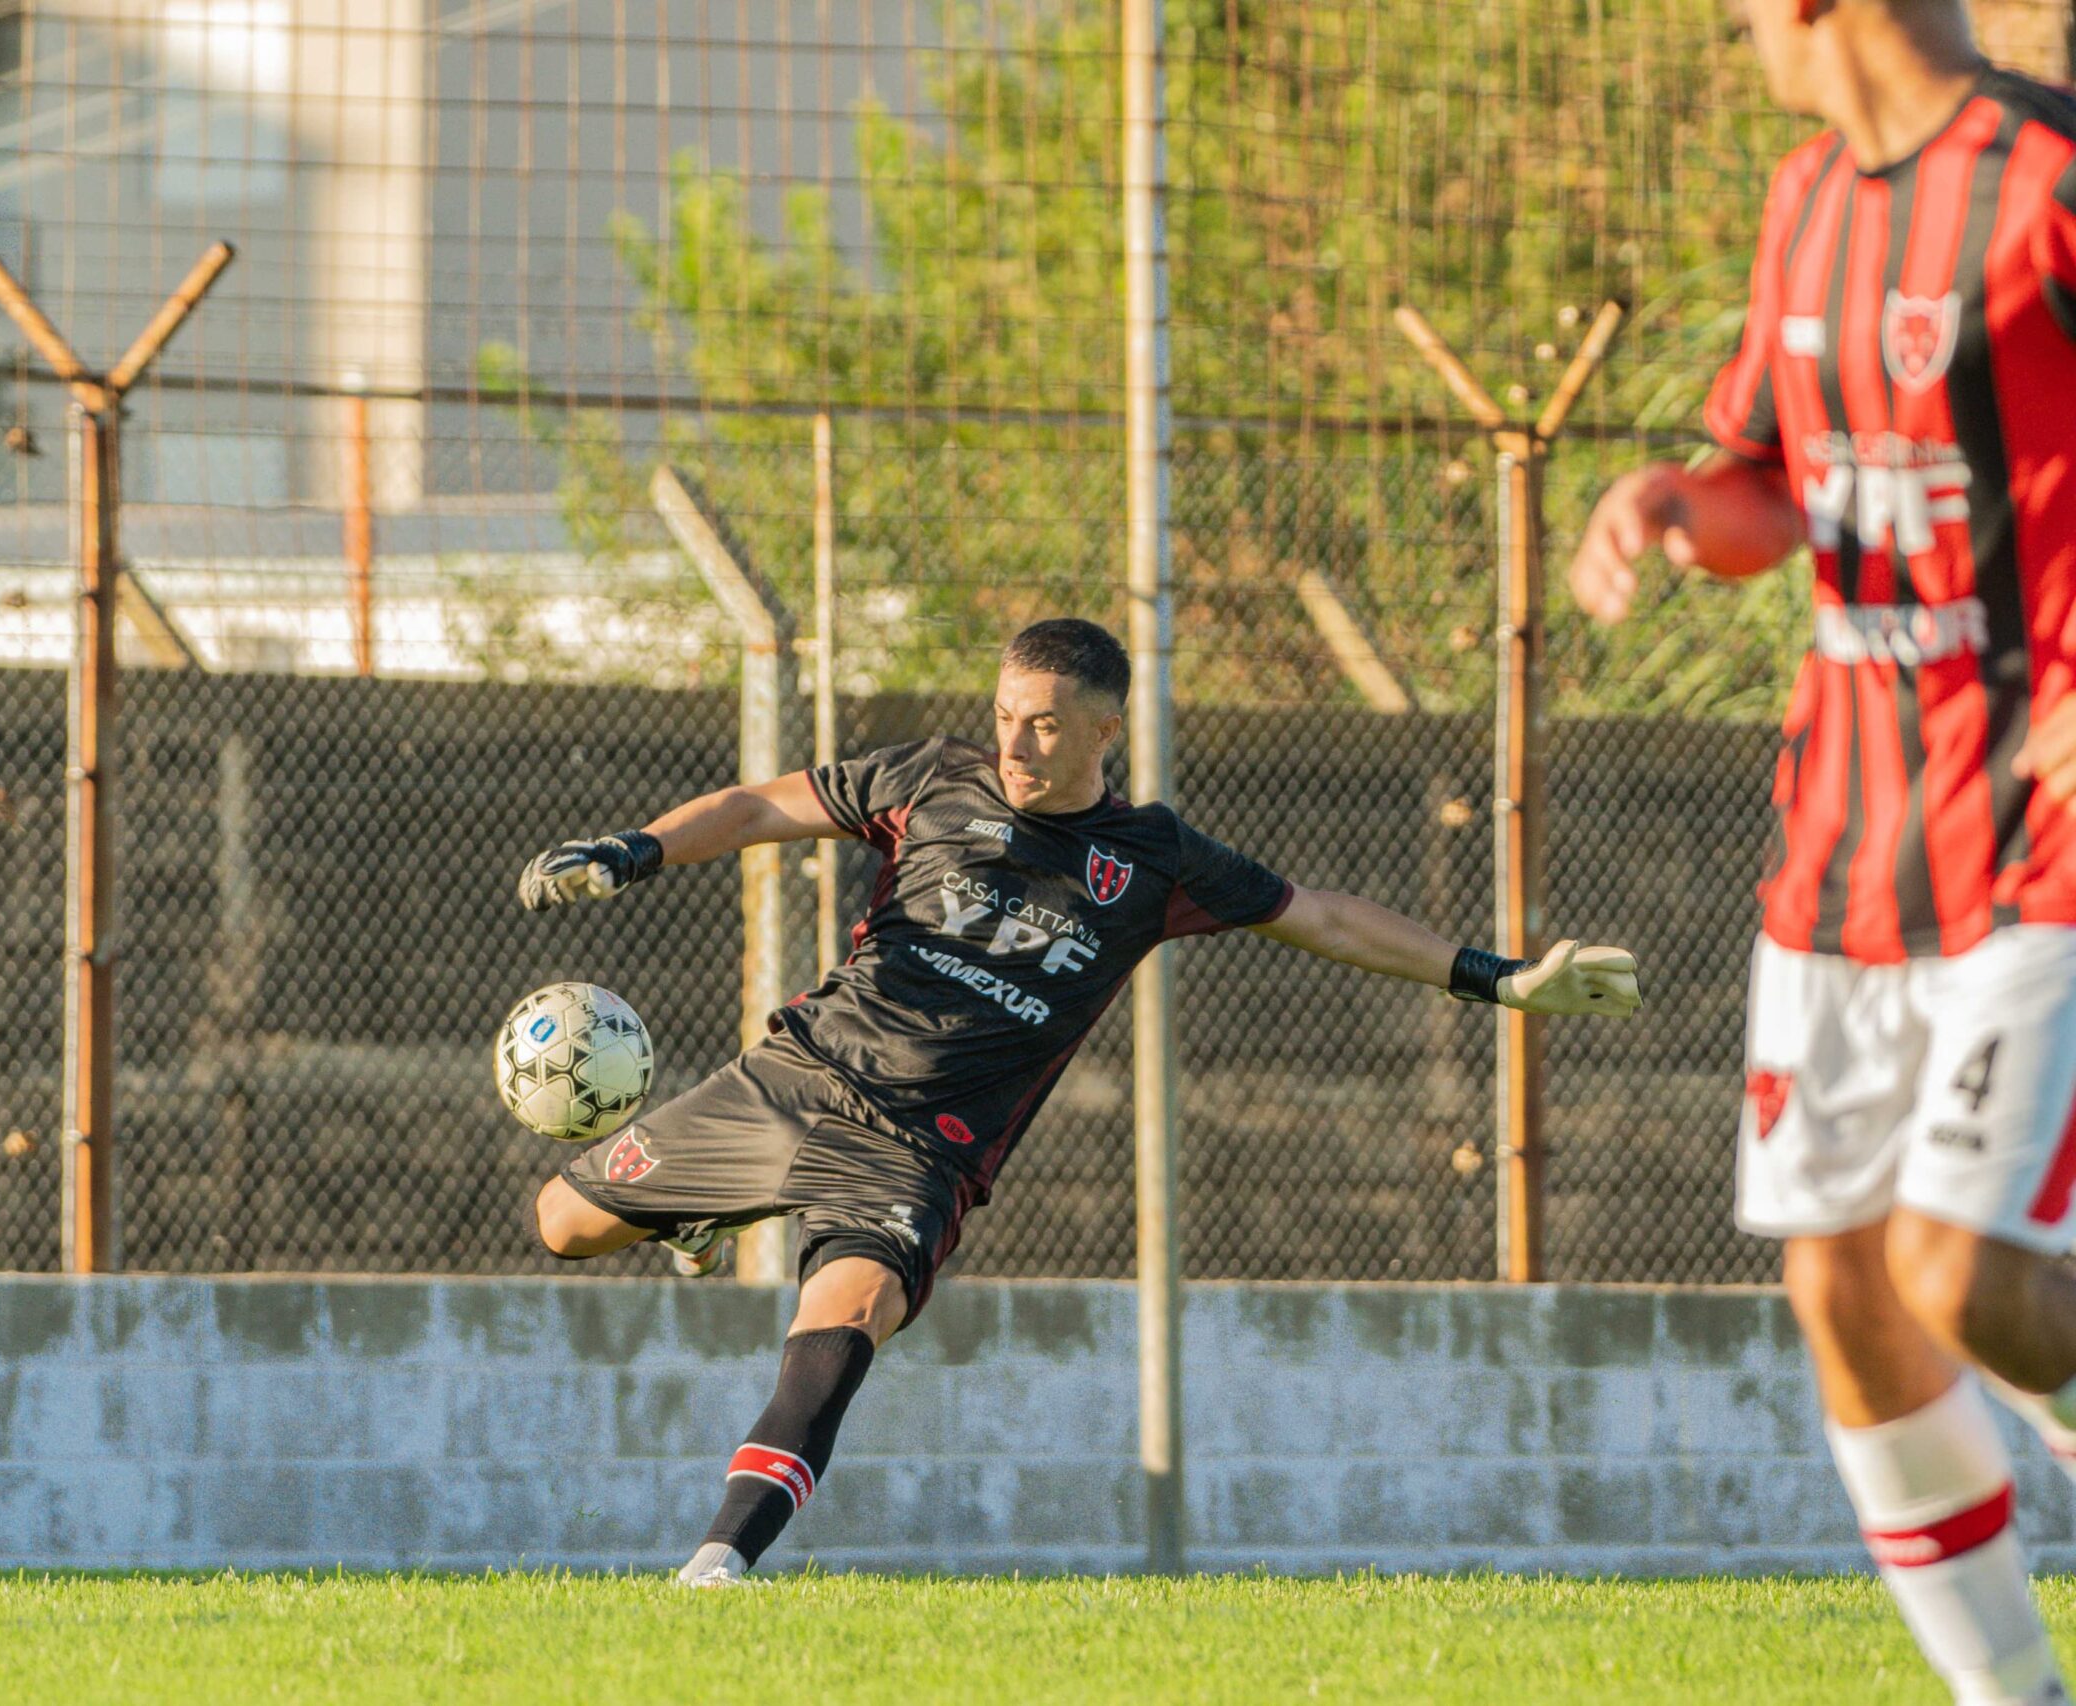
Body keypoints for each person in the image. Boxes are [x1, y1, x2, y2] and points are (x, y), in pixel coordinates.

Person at [515, 616, 1641, 1586]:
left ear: (1108, 728)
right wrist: (634, 850)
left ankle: (717, 1563)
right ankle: (711, 1212)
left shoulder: (1150, 860)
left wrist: (1496, 976)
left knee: (847, 1316)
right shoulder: (929, 779)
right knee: (562, 1226)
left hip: (916, 1152)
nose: (1015, 741)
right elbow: (763, 804)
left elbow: (1330, 917)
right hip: (795, 1078)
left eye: (1046, 722)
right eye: (1006, 713)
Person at [1569, 3, 2076, 1698]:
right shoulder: (1808, 200)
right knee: (1844, 1292)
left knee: (1962, 1270)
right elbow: (1772, 494)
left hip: (2038, 835)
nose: (1736, 38)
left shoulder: (2046, 184)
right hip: (1847, 846)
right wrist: (1662, 502)